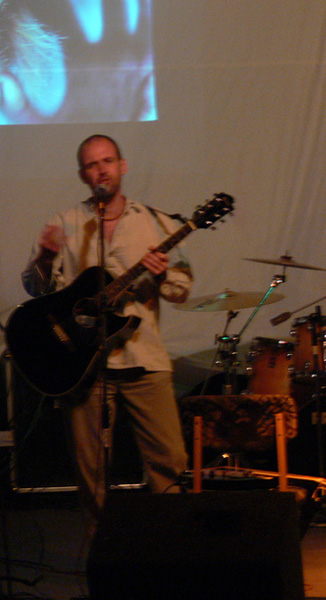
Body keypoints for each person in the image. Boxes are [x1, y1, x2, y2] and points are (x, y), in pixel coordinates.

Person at [21, 134, 192, 532]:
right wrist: (45, 257)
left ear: (122, 166)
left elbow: (182, 289)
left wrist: (162, 275)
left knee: (170, 461)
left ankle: (175, 547)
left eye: (108, 161)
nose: (101, 170)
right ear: (83, 174)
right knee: (92, 473)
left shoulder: (158, 222)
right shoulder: (64, 222)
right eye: (92, 164)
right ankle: (102, 552)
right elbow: (36, 288)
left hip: (145, 359)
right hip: (84, 367)